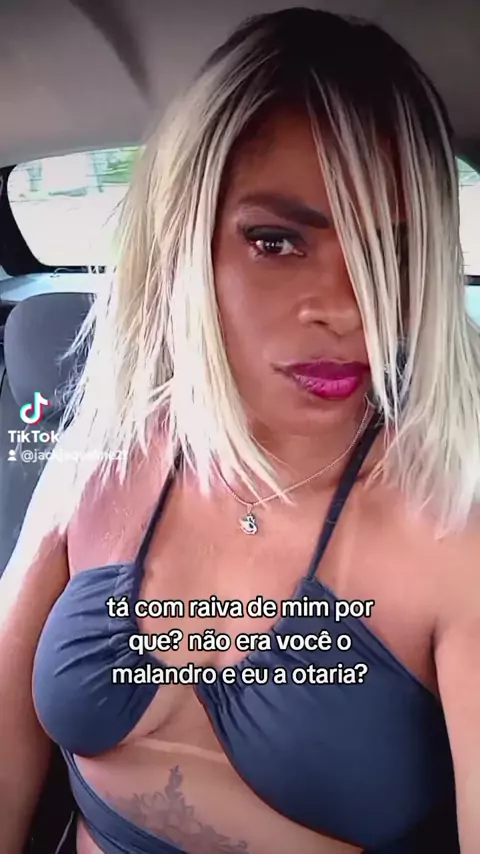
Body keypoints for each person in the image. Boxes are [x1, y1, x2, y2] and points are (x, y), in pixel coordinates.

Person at [1, 7, 479, 854]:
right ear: (182, 243)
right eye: (277, 241)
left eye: (391, 254)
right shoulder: (102, 455)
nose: (351, 311)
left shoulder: (449, 527)